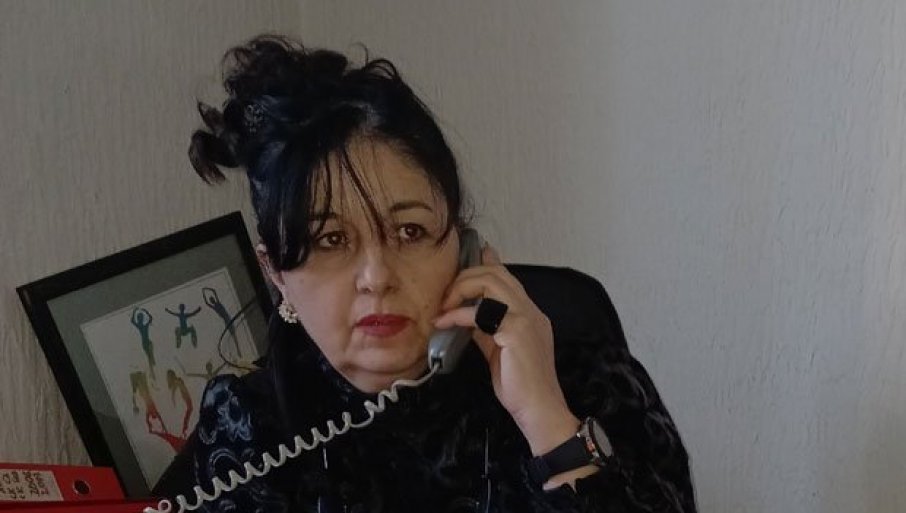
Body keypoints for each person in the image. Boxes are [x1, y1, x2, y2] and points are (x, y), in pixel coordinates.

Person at [152, 35, 697, 513]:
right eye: (330, 240)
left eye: (410, 231)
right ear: (275, 272)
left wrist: (545, 417)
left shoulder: (589, 383)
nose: (376, 276)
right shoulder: (252, 426)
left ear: (464, 247)